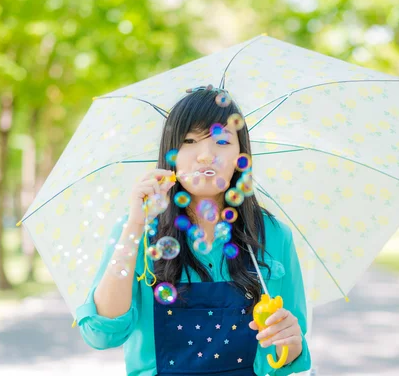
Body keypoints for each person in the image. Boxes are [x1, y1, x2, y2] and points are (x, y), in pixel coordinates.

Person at [75, 87, 312, 376]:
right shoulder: (137, 229)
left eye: (222, 141)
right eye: (189, 140)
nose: (205, 156)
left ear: (241, 155)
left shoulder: (273, 236)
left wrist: (291, 342)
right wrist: (135, 225)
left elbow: (288, 353)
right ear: (170, 153)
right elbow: (102, 334)